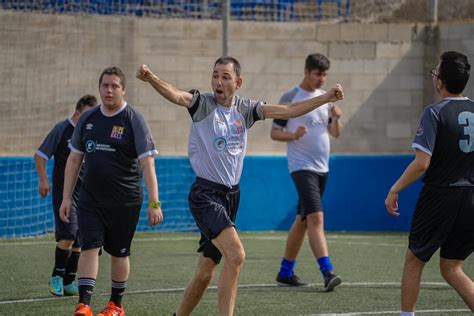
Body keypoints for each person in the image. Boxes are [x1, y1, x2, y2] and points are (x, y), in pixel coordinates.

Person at [136, 56, 344, 316]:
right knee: (236, 256)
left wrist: (325, 99)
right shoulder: (202, 103)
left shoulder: (247, 109)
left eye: (225, 76)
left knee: (205, 272)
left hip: (231, 196)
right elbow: (177, 95)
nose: (218, 82)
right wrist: (151, 78)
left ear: (238, 82)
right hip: (205, 195)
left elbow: (288, 111)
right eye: (215, 75)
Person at [59, 66, 163, 316]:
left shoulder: (134, 119)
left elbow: (147, 163)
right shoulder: (88, 119)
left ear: (123, 89)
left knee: (119, 252)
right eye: (105, 85)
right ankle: (84, 304)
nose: (109, 90)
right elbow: (74, 160)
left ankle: (116, 304)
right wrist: (65, 198)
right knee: (89, 247)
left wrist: (155, 202)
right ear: (99, 88)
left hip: (125, 201)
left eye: (115, 86)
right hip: (90, 199)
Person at [385, 51, 474, 315]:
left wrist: (395, 188)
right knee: (451, 266)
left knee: (415, 259)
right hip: (471, 197)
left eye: (435, 73)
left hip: (441, 196)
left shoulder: (434, 112)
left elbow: (422, 163)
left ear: (440, 81)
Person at [271, 53, 343, 291]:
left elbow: (335, 133)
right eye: (317, 74)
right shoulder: (291, 97)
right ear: (306, 72)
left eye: (324, 75)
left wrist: (336, 118)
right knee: (316, 218)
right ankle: (328, 271)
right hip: (302, 167)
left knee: (302, 221)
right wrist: (293, 135)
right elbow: (274, 133)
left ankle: (285, 271)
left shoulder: (326, 100)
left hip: (323, 168)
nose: (321, 79)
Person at [35, 95, 97, 297]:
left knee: (80, 239)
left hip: (86, 195)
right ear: (78, 112)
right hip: (65, 195)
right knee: (68, 236)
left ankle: (70, 280)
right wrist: (44, 180)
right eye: (87, 114)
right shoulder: (61, 129)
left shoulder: (89, 132)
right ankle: (56, 278)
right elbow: (40, 155)